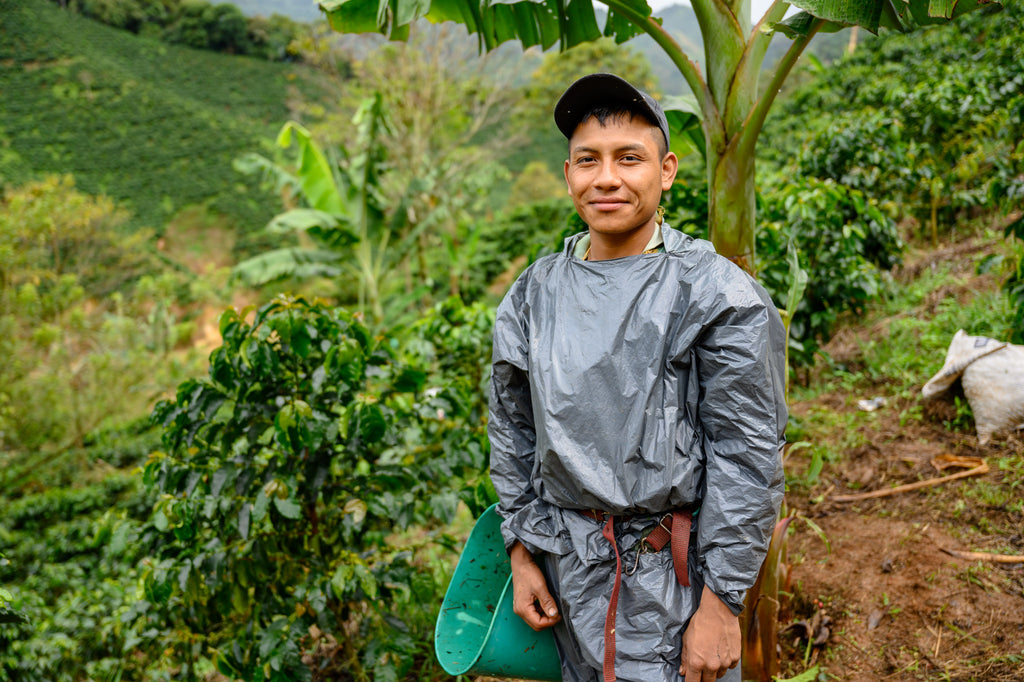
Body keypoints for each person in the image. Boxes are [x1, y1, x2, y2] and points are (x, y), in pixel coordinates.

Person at [488, 73, 787, 682]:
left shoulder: (715, 293)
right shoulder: (532, 295)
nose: (607, 178)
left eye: (630, 158)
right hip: (567, 573)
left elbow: (747, 454)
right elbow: (512, 430)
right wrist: (521, 551)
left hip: (675, 584)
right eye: (587, 160)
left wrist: (722, 605)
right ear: (567, 173)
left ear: (667, 170)